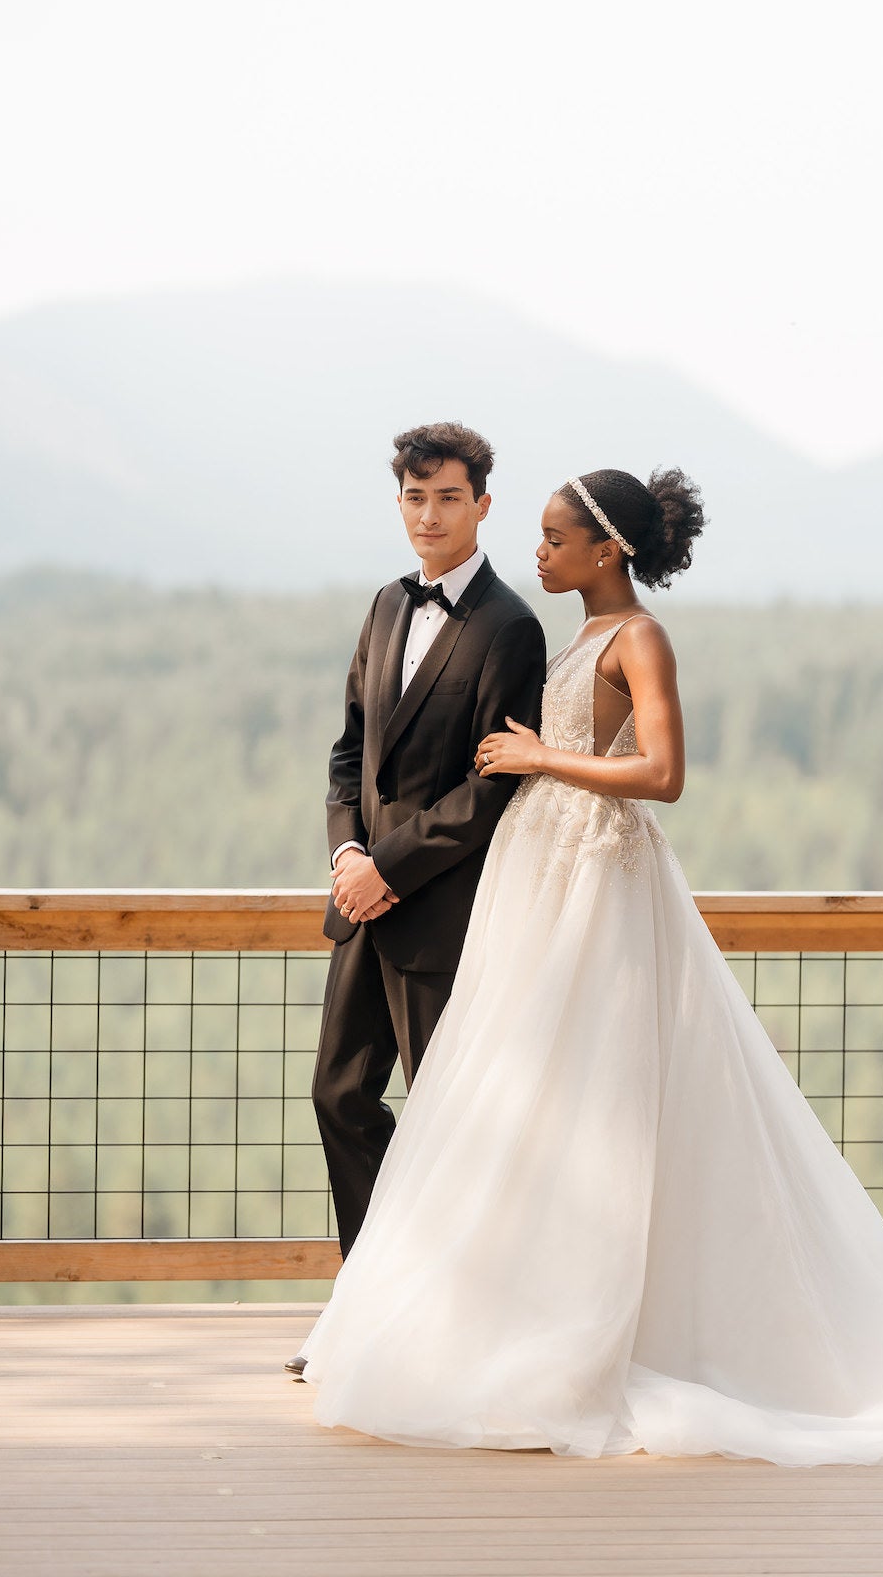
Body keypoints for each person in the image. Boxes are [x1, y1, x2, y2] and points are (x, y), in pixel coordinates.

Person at [295, 466, 883, 1465]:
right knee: (534, 1103)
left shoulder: (640, 636)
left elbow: (663, 773)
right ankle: (509, 1314)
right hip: (541, 875)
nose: (540, 550)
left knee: (601, 1094)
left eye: (558, 538)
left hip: (597, 879)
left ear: (607, 550)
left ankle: (594, 1330)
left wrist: (540, 760)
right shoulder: (577, 633)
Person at [301, 421, 546, 1355]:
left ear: (483, 502)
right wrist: (344, 859)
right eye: (415, 496)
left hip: (439, 910)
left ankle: (459, 1323)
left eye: (448, 496)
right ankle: (374, 1308)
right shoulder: (383, 605)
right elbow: (348, 752)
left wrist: (387, 870)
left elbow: (494, 786)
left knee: (452, 1119)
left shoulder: (510, 628)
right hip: (361, 900)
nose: (429, 514)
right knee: (338, 1095)